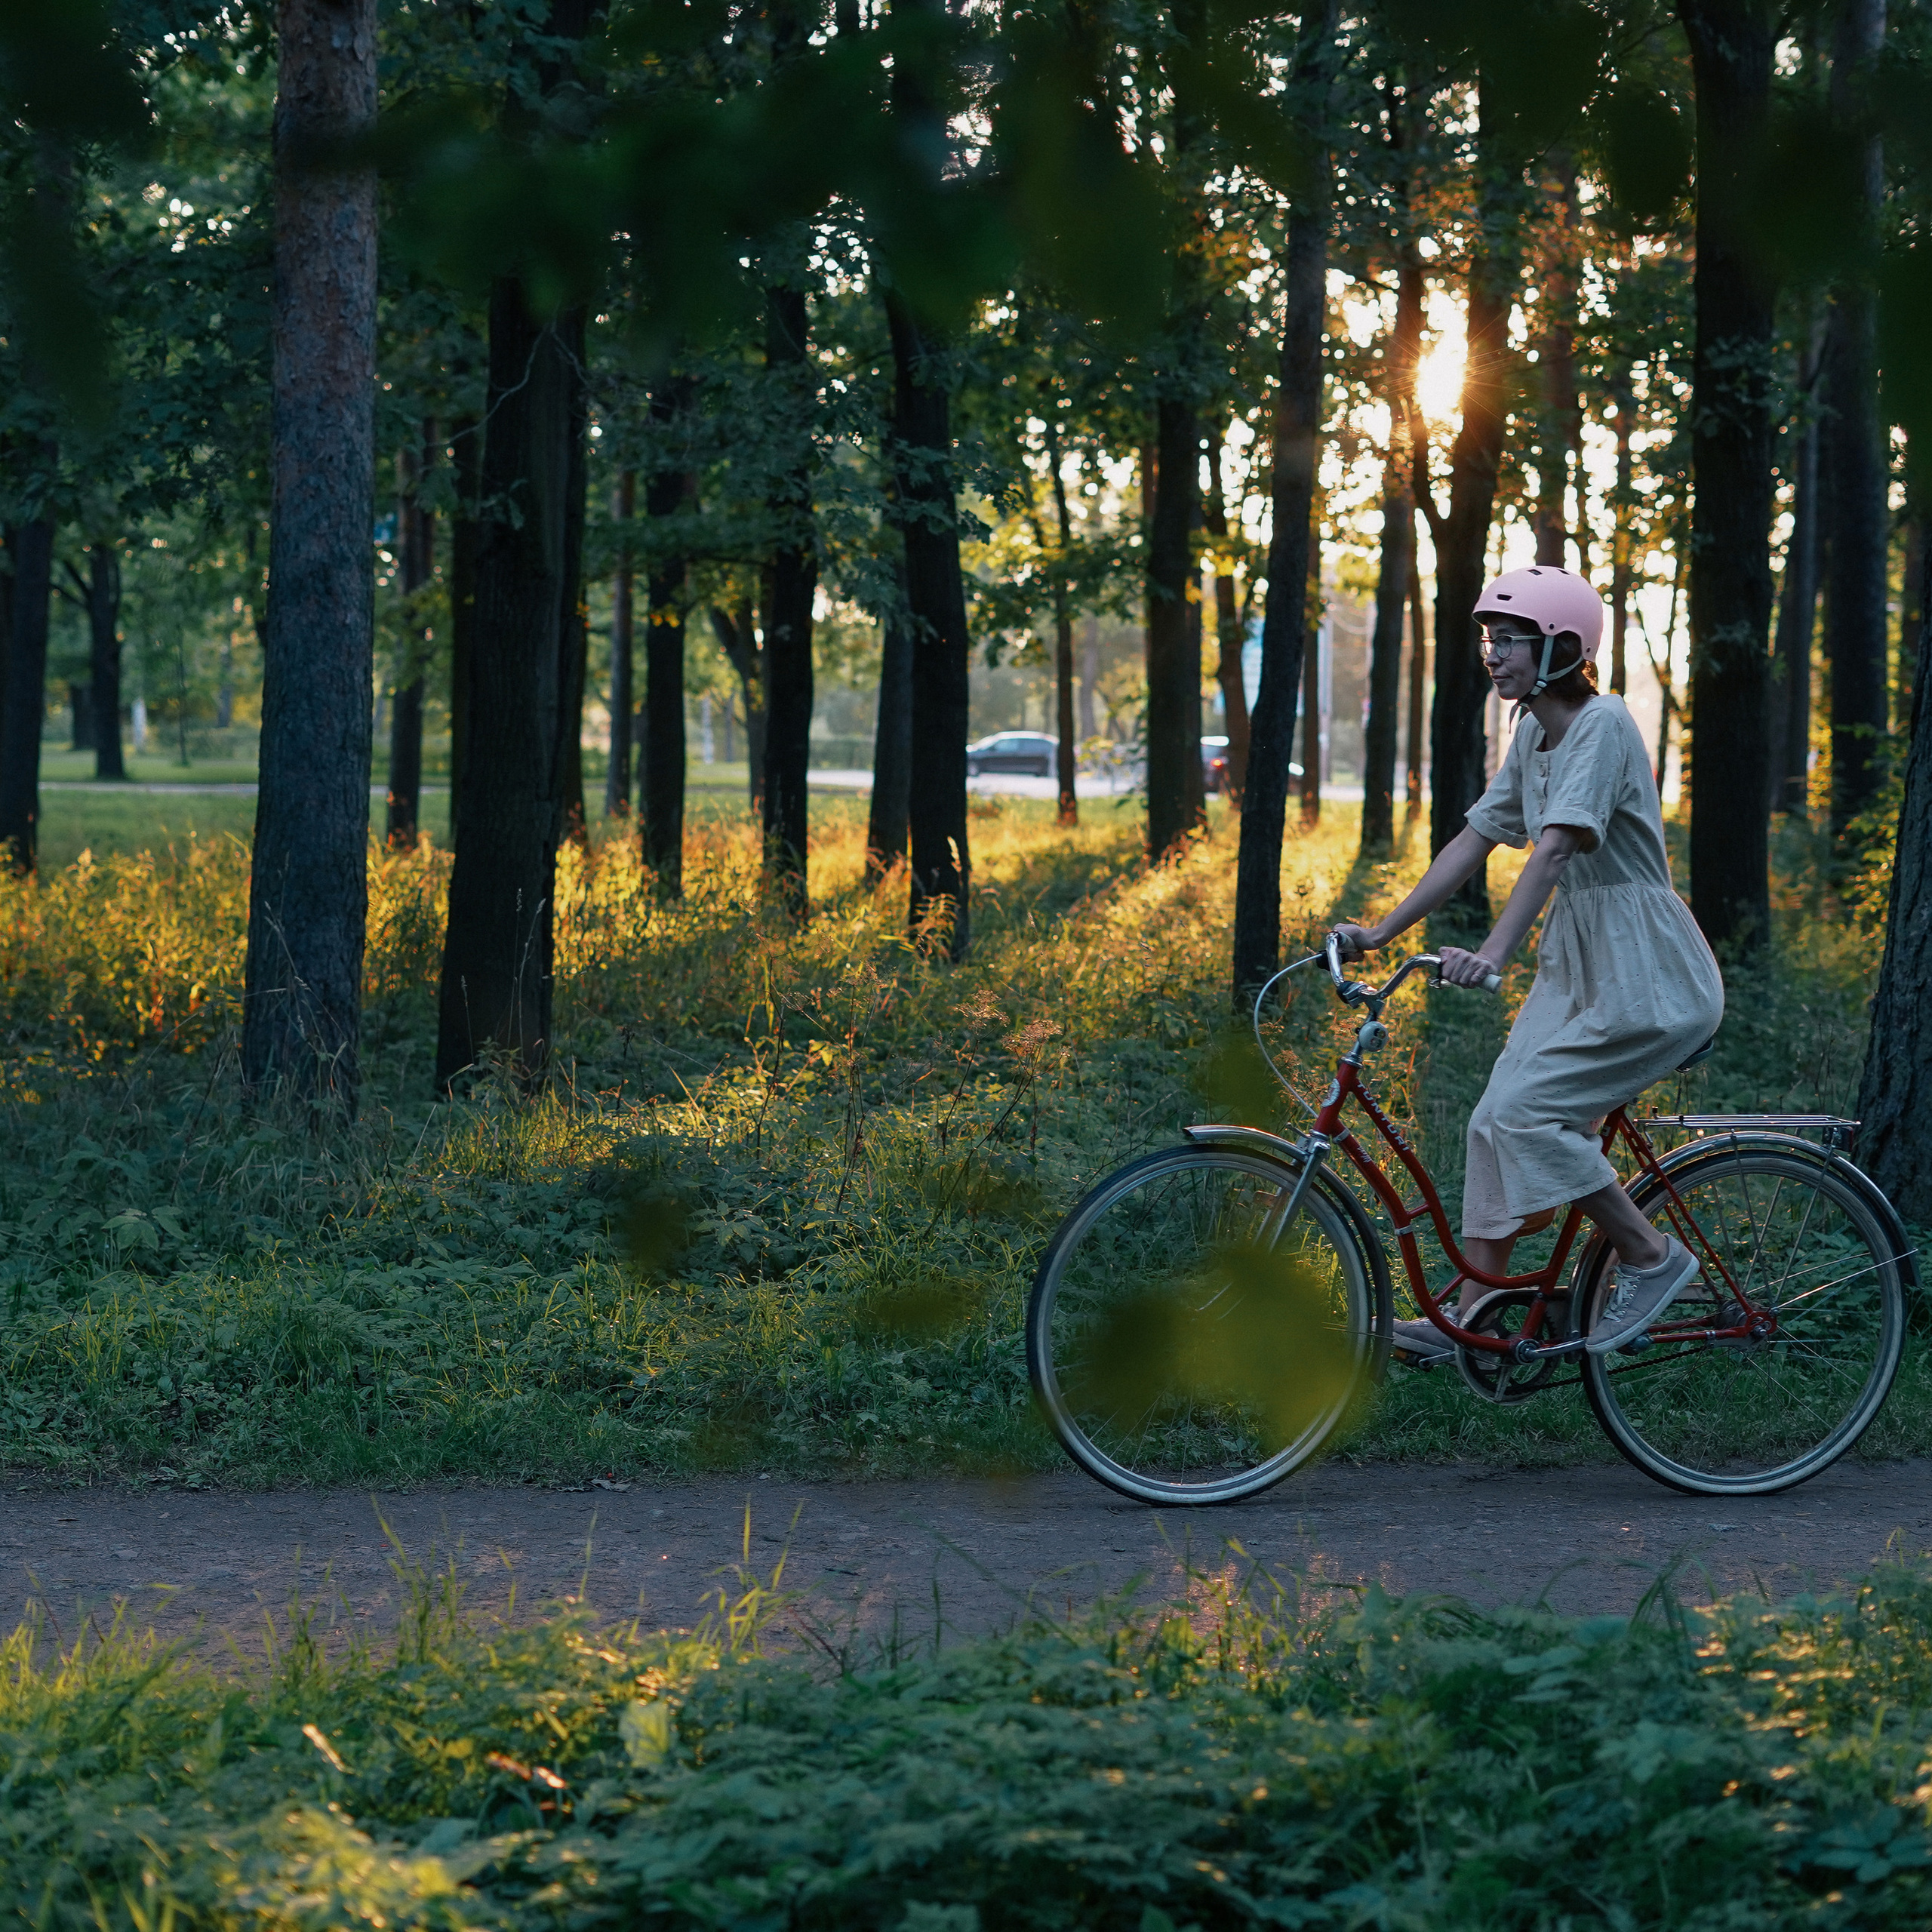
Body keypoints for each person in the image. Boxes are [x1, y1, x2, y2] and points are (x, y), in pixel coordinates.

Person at [1332, 564, 1724, 1358]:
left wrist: (1491, 954)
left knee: (1526, 1115)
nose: (1492, 653)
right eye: (1488, 639)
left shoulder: (1605, 724)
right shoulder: (1531, 733)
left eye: (1507, 639)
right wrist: (1379, 930)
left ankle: (1652, 1256)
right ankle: (1474, 1323)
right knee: (1491, 1121)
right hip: (1578, 966)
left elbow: (1550, 852)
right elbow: (1476, 838)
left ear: (1562, 647)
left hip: (1645, 972)